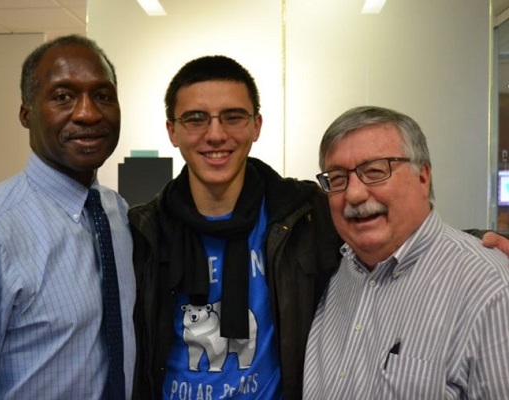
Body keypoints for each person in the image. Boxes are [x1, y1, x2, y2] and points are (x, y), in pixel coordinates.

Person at [129, 56, 509, 400]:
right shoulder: (142, 231)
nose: (215, 134)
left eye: (233, 116)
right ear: (171, 130)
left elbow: (391, 225)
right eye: (195, 118)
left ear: (256, 125)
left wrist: (476, 242)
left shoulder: (302, 213)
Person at [0, 35, 136, 399]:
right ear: (26, 113)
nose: (88, 113)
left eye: (103, 95)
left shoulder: (117, 214)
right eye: (63, 96)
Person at [303, 106, 509, 399]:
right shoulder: (329, 271)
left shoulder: (490, 289)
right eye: (337, 179)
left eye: (375, 171)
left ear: (423, 176)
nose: (354, 194)